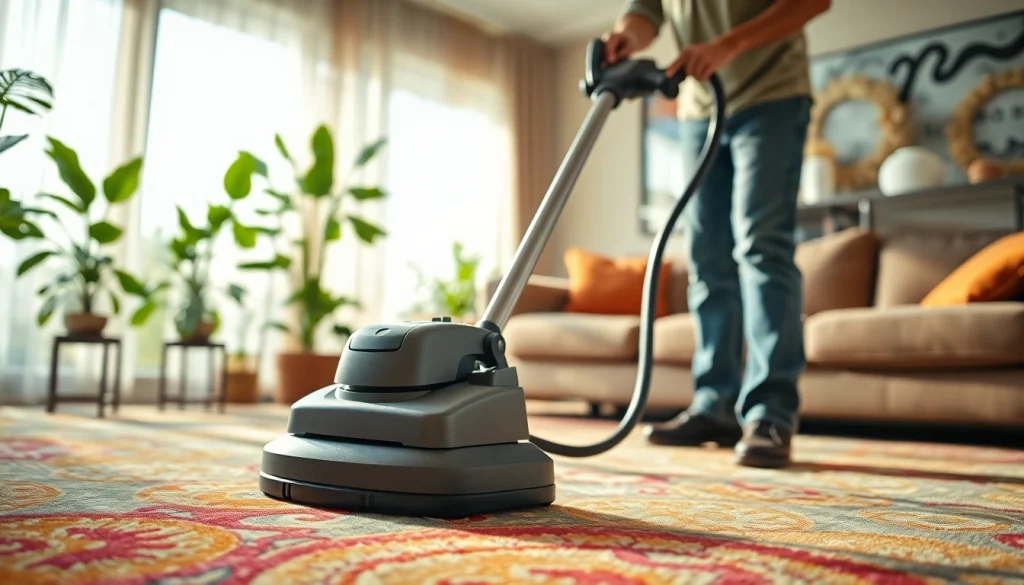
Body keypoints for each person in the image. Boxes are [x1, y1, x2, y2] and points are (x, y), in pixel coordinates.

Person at [602, 0, 832, 468]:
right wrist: (628, 34)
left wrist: (729, 44)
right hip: (698, 109)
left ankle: (770, 412)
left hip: (773, 96)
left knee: (762, 248)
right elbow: (646, 11)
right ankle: (714, 405)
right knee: (707, 258)